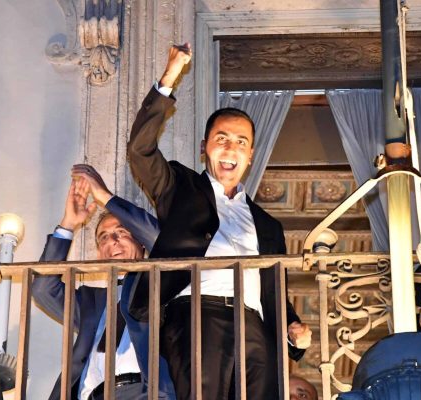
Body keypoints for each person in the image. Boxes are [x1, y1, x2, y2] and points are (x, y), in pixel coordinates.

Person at [126, 42, 312, 399]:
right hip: (198, 314)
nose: (231, 149)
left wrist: (292, 331)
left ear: (251, 155)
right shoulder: (180, 187)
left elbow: (273, 290)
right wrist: (170, 76)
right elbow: (140, 150)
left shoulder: (269, 225)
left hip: (255, 327)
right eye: (222, 139)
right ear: (204, 147)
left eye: (241, 142)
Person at [32, 165, 174, 400]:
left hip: (144, 393)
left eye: (123, 231)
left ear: (141, 244)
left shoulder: (164, 286)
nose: (113, 240)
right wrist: (68, 224)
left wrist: (105, 197)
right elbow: (42, 289)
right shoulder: (91, 302)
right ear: (100, 253)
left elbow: (164, 244)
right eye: (104, 237)